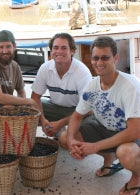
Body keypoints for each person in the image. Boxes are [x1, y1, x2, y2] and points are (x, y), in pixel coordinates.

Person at [60, 36, 140, 195]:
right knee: (64, 138)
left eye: (105, 58)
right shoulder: (93, 85)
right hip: (105, 129)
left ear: (115, 58)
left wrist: (95, 147)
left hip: (131, 136)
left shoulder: (130, 86)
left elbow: (135, 131)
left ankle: (137, 177)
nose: (99, 62)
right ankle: (109, 157)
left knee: (126, 154)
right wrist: (71, 141)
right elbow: (76, 116)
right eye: (95, 58)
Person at [31, 32, 92, 137]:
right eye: (55, 48)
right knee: (28, 110)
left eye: (64, 48)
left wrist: (60, 123)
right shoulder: (45, 68)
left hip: (77, 110)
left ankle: (62, 133)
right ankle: (58, 132)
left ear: (72, 51)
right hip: (54, 107)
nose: (59, 51)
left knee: (88, 126)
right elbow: (35, 97)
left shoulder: (82, 72)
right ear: (51, 50)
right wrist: (43, 119)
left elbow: (88, 109)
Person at [0, 29, 37, 114]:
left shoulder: (15, 66)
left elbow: (21, 92)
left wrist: (23, 107)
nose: (5, 51)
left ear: (14, 46)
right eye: (1, 47)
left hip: (7, 103)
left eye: (8, 46)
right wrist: (28, 101)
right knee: (9, 107)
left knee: (32, 108)